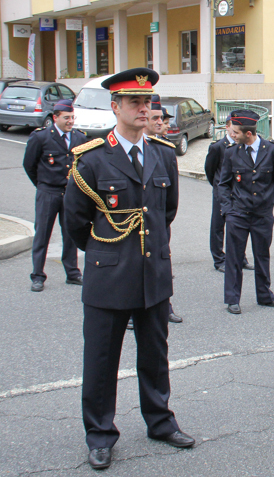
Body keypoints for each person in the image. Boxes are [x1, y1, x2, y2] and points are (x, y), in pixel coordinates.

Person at [64, 68, 194, 470]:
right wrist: (112, 254)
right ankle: (100, 435)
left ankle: (160, 421)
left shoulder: (162, 153)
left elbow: (164, 213)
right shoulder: (91, 158)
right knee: (102, 360)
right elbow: (75, 222)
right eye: (134, 102)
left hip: (153, 273)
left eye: (148, 102)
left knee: (155, 355)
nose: (143, 108)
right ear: (115, 107)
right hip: (109, 274)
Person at [217, 110, 274, 314]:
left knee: (262, 255)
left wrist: (266, 199)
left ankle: (264, 296)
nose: (233, 135)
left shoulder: (273, 151)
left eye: (236, 132)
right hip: (238, 214)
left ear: (248, 134)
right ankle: (232, 298)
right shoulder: (231, 152)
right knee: (234, 257)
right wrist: (229, 210)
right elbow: (223, 184)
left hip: (262, 215)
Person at [22, 99, 87, 292]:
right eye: (66, 118)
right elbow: (29, 165)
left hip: (70, 194)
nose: (70, 121)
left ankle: (73, 273)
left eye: (72, 117)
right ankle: (38, 276)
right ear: (55, 118)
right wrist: (42, 185)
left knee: (71, 233)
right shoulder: (41, 137)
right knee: (42, 234)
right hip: (48, 192)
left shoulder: (79, 138)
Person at [144, 98, 183, 324]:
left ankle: (164, 306)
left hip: (158, 224)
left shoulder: (165, 150)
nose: (160, 122)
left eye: (162, 119)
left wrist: (161, 223)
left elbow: (172, 199)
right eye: (155, 118)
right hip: (130, 226)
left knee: (161, 265)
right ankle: (132, 310)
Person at [204, 114, 253, 272]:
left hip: (239, 192)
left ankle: (241, 256)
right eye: (232, 130)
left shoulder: (244, 144)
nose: (234, 134)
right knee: (218, 225)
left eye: (236, 131)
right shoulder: (218, 147)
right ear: (226, 127)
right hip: (222, 192)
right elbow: (210, 170)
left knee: (240, 225)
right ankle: (219, 259)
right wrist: (219, 187)